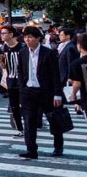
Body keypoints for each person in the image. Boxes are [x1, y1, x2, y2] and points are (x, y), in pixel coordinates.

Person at [19, 26, 65, 159]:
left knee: (53, 120)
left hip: (46, 92)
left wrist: (57, 93)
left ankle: (58, 146)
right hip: (29, 91)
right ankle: (31, 149)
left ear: (38, 38)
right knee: (29, 122)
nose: (27, 40)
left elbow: (55, 74)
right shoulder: (23, 52)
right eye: (26, 37)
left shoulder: (49, 53)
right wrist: (22, 91)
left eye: (30, 37)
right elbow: (21, 72)